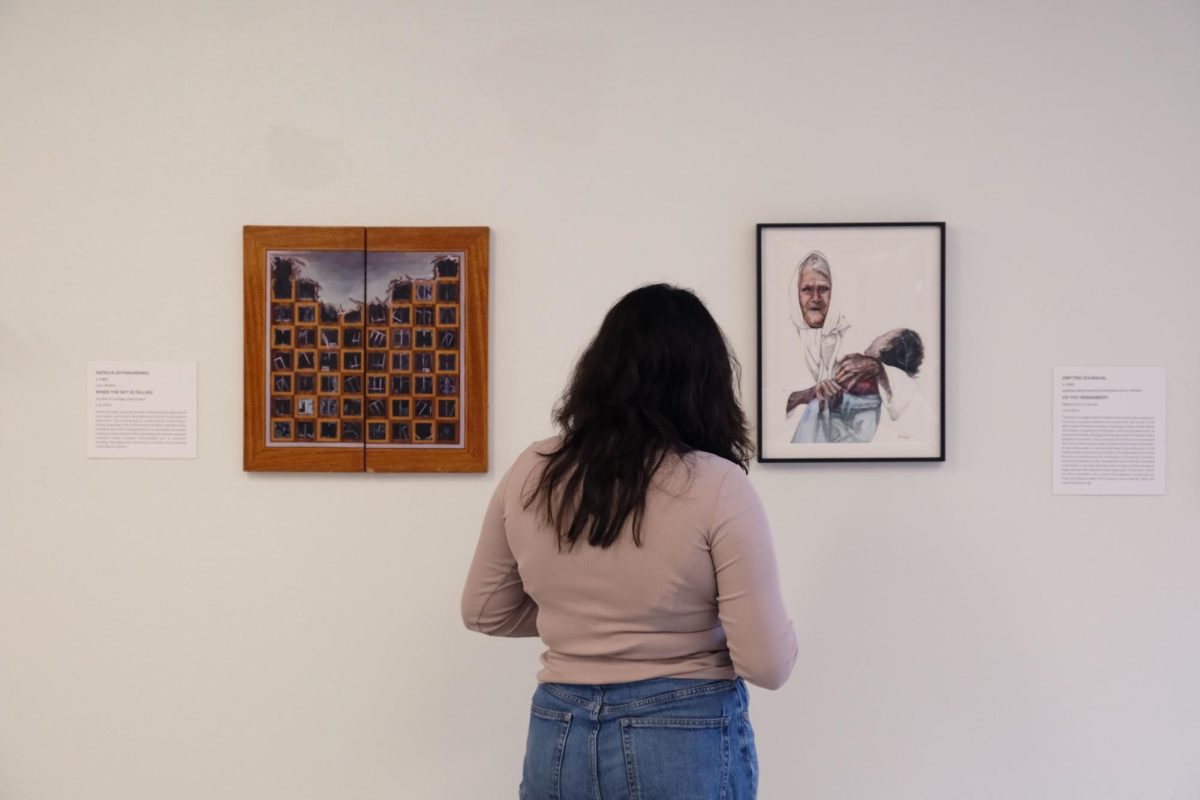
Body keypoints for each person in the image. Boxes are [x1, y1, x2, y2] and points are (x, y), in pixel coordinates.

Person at [462, 284, 797, 800]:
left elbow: (485, 610)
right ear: (704, 381)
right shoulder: (717, 484)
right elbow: (768, 664)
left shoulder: (535, 469)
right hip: (682, 732)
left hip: (560, 732)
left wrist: (581, 618)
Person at [786, 328, 925, 443]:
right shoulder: (886, 385)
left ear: (886, 346)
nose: (877, 336)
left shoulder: (863, 369)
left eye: (883, 336)